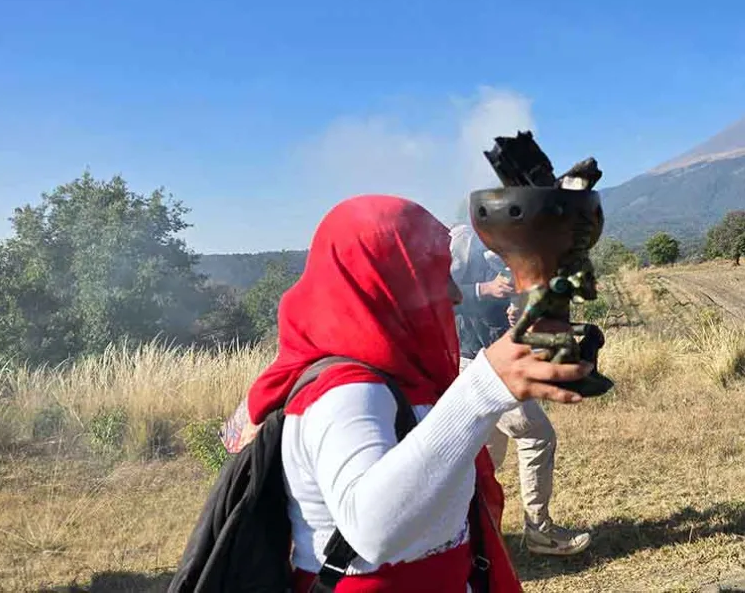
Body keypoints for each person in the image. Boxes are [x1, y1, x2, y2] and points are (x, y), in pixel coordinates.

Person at [246, 194, 591, 591]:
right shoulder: (344, 392)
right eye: (437, 273)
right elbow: (370, 532)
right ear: (388, 282)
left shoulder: (404, 380)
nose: (456, 294)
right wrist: (482, 388)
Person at [449, 223, 593, 556]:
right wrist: (485, 289)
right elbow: (440, 292)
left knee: (487, 456)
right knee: (537, 436)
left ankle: (472, 536)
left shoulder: (504, 245)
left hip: (484, 359)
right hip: (481, 363)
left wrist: (514, 313)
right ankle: (539, 532)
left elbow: (505, 311)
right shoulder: (462, 239)